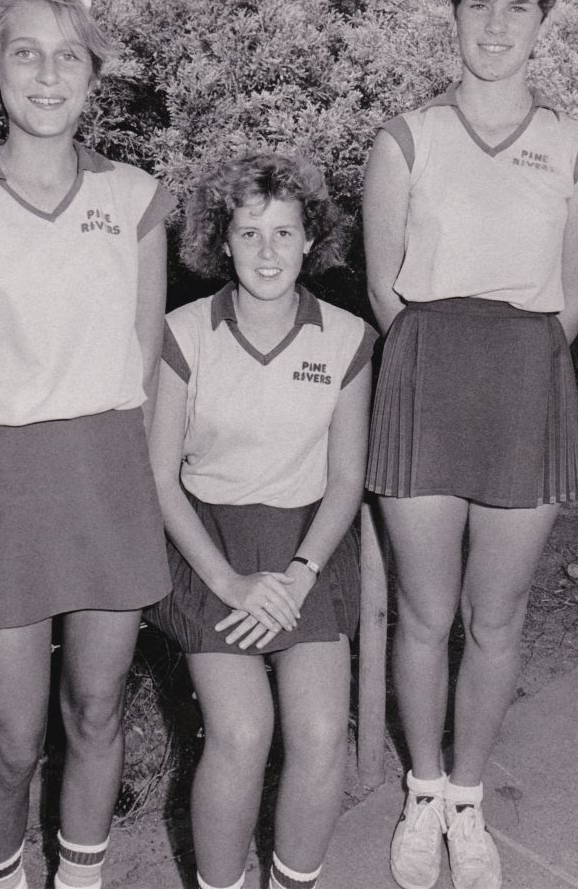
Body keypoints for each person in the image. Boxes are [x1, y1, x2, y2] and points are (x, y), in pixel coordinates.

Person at [363, 0, 578, 889]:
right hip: (423, 377)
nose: (494, 27)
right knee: (424, 614)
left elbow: (574, 291)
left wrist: (510, 362)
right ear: (453, 12)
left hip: (523, 384)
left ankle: (467, 800)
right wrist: (441, 355)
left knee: (495, 615)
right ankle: (421, 791)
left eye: (516, 6)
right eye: (476, 5)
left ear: (544, 15)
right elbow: (386, 290)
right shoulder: (403, 139)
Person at [0, 0, 174, 889]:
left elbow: (145, 367)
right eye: (25, 52)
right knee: (8, 737)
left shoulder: (139, 197)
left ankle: (80, 875)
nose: (47, 75)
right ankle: (0, 878)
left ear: (92, 76)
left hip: (107, 472)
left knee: (98, 707)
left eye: (69, 56)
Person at [144, 152, 376, 889]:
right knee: (242, 732)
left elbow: (345, 480)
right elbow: (157, 477)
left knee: (316, 736)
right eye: (249, 234)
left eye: (284, 233)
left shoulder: (346, 339)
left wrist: (299, 575)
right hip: (206, 542)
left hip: (308, 545)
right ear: (222, 241)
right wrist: (229, 581)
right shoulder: (182, 333)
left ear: (312, 240)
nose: (267, 252)